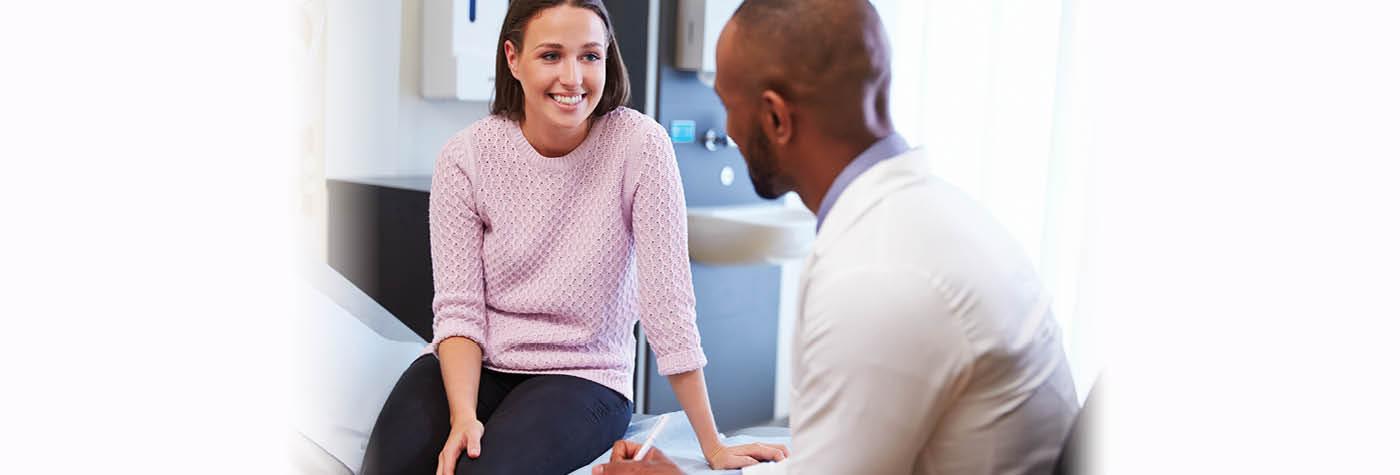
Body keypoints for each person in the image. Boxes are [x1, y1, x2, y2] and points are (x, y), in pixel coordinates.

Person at [595, 1, 1079, 474]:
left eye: (728, 105)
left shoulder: (876, 274)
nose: (728, 130)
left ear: (776, 119)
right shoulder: (934, 214)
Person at [359, 1, 787, 473]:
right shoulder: (466, 158)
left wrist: (713, 443)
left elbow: (668, 307)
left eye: (589, 56)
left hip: (585, 375)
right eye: (550, 56)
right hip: (479, 364)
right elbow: (459, 309)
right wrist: (463, 416)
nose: (573, 77)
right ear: (512, 58)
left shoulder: (640, 146)